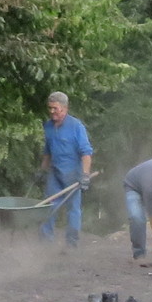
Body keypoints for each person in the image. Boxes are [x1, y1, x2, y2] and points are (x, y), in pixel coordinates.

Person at [39, 91, 93, 245]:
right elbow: (48, 150)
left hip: (73, 174)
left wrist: (85, 175)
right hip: (55, 172)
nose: (52, 111)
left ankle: (71, 243)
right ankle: (46, 241)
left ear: (65, 108)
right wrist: (42, 169)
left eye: (55, 108)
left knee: (73, 209)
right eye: (50, 108)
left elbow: (86, 153)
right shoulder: (48, 126)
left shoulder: (76, 126)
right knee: (49, 205)